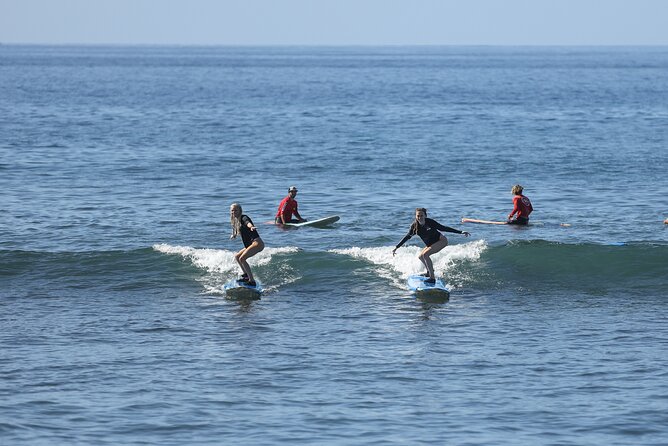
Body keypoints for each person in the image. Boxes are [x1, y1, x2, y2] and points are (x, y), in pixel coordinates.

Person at [392, 208, 470, 284]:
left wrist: (461, 232)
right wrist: (397, 247)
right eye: (418, 216)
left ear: (425, 216)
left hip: (441, 241)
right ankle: (429, 272)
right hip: (431, 244)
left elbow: (443, 228)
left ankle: (432, 278)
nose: (420, 217)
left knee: (425, 255)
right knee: (421, 256)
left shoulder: (430, 222)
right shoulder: (414, 226)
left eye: (421, 215)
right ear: (415, 216)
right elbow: (407, 237)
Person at [229, 203, 264, 287]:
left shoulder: (244, 217)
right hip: (250, 245)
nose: (234, 212)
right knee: (237, 257)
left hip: (257, 243)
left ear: (240, 211)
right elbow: (237, 229)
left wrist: (251, 227)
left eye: (236, 210)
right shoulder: (235, 220)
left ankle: (252, 281)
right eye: (232, 210)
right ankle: (246, 275)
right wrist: (234, 234)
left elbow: (247, 223)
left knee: (242, 259)